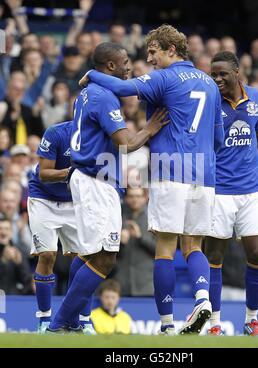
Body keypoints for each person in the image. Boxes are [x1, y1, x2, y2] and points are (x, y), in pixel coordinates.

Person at [79, 25, 224, 335]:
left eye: (154, 52)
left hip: (171, 170)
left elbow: (121, 88)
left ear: (171, 51)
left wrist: (92, 75)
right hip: (205, 174)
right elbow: (219, 138)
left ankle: (167, 325)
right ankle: (203, 300)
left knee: (165, 248)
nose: (150, 58)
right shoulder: (211, 84)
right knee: (194, 245)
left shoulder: (165, 77)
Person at [47, 42, 168, 333]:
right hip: (94, 181)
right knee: (105, 257)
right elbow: (126, 144)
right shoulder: (103, 97)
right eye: (125, 62)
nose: (130, 66)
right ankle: (61, 321)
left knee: (90, 254)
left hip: (89, 178)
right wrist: (149, 130)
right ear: (111, 66)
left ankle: (70, 321)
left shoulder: (87, 93)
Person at [206, 51, 258, 336]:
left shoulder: (256, 98)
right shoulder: (209, 101)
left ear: (237, 72)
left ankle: (252, 319)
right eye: (213, 74)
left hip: (252, 189)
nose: (217, 78)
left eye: (222, 74)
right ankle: (214, 324)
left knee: (256, 254)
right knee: (214, 256)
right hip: (219, 190)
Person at [28, 121, 95, 335]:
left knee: (84, 259)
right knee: (47, 255)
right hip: (44, 198)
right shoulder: (56, 133)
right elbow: (44, 174)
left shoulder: (99, 136)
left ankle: (81, 320)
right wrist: (72, 172)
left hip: (75, 201)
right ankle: (44, 320)